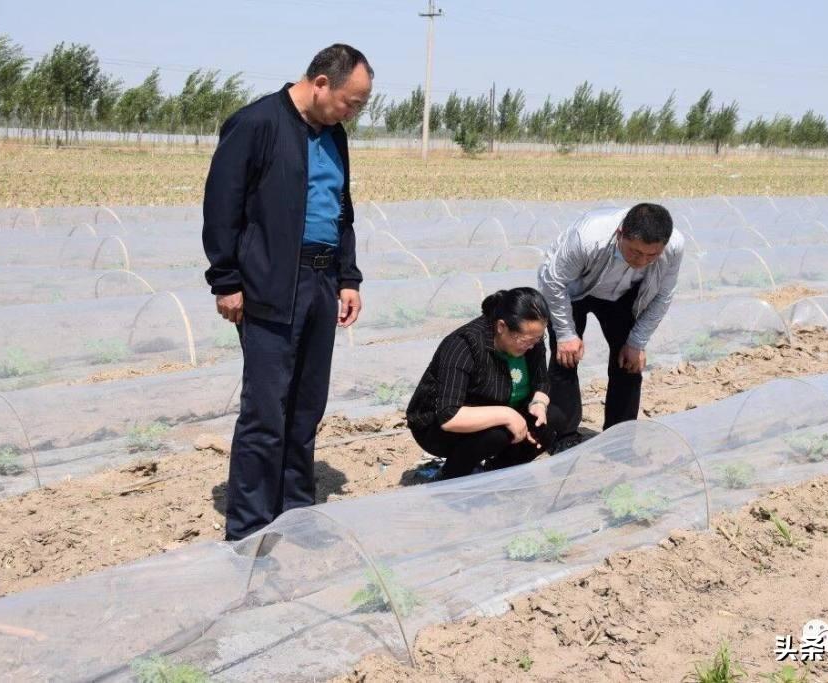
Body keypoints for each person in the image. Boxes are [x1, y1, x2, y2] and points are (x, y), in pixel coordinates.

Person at [202, 44, 373, 541]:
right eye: (350, 102)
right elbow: (221, 205)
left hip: (321, 282)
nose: (353, 113)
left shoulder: (334, 136)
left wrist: (348, 277)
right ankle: (250, 525)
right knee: (265, 410)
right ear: (320, 83)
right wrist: (226, 279)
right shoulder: (256, 124)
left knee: (305, 406)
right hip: (271, 284)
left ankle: (296, 510)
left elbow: (342, 209)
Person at [537, 203, 682, 444]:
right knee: (565, 359)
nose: (642, 261)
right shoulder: (588, 237)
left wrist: (637, 342)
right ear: (620, 235)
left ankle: (619, 439)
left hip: (622, 295)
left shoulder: (675, 246)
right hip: (573, 290)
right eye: (635, 252)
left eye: (652, 255)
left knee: (630, 363)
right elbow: (554, 282)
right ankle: (564, 437)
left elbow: (663, 296)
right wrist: (565, 334)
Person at [406, 288, 568, 480]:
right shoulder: (464, 345)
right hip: (438, 427)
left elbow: (541, 382)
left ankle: (499, 472)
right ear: (501, 327)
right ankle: (450, 477)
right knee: (496, 434)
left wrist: (539, 404)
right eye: (526, 340)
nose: (532, 345)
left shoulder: (531, 339)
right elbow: (448, 415)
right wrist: (507, 415)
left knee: (552, 419)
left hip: (500, 407)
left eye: (538, 339)